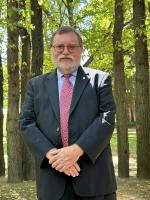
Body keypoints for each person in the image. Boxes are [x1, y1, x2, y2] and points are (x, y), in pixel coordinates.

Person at [19, 26, 117, 200]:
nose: (65, 51)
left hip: (94, 182)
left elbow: (107, 118)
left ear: (81, 50)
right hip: (52, 181)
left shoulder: (100, 80)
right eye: (59, 47)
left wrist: (77, 150)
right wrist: (52, 154)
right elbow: (26, 122)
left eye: (71, 47)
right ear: (52, 50)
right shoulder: (35, 85)